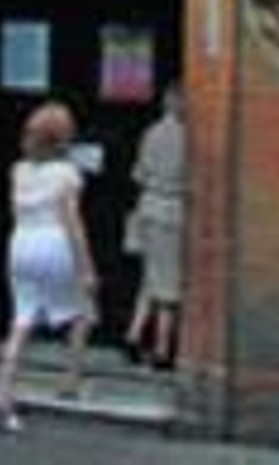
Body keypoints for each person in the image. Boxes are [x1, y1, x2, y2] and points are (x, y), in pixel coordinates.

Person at [0, 100, 95, 434]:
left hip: (21, 243)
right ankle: (71, 380)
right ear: (63, 139)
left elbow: (15, 211)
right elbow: (72, 222)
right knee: (83, 308)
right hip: (54, 243)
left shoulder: (18, 170)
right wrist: (87, 267)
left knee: (21, 321)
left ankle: (2, 394)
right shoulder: (68, 174)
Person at [124, 83, 187, 370]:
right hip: (172, 212)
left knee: (150, 278)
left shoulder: (150, 132)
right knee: (170, 285)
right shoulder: (186, 136)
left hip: (147, 208)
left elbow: (138, 174)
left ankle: (133, 335)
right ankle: (162, 350)